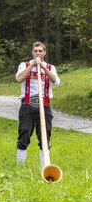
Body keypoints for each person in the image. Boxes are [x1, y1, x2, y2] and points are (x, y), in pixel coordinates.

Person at [15, 41, 60, 169]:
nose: (38, 53)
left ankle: (44, 167)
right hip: (27, 105)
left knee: (45, 136)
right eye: (35, 51)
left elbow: (56, 81)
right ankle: (20, 167)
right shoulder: (24, 65)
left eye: (40, 51)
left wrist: (43, 68)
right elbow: (19, 79)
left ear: (44, 52)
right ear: (32, 52)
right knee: (24, 133)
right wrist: (33, 65)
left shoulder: (50, 67)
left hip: (44, 105)